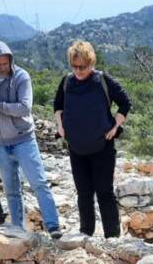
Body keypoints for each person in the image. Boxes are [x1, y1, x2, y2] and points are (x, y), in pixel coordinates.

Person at [53, 40, 132, 238]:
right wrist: (60, 125)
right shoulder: (66, 82)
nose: (78, 70)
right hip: (76, 148)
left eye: (83, 66)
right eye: (74, 66)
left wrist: (115, 126)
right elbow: (58, 105)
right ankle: (85, 233)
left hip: (102, 147)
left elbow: (125, 103)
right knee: (83, 194)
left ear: (91, 62)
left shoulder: (103, 80)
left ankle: (112, 238)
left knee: (105, 193)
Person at [0, 41, 62, 238]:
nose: (3, 67)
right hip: (2, 144)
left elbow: (24, 107)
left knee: (39, 183)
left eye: (6, 63)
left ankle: (53, 226)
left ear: (11, 60)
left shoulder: (22, 76)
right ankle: (17, 229)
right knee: (11, 190)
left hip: (23, 140)